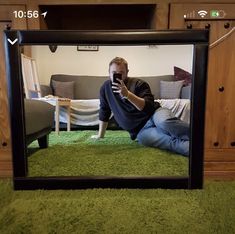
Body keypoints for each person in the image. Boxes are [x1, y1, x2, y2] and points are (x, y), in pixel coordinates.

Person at [92, 57, 189, 156]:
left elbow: (148, 107)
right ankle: (199, 150)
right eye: (114, 72)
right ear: (108, 72)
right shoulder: (105, 88)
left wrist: (127, 95)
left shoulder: (139, 83)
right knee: (169, 142)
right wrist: (100, 136)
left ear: (127, 72)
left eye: (121, 72)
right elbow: (104, 112)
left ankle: (201, 135)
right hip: (140, 131)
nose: (118, 76)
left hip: (155, 114)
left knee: (165, 123)